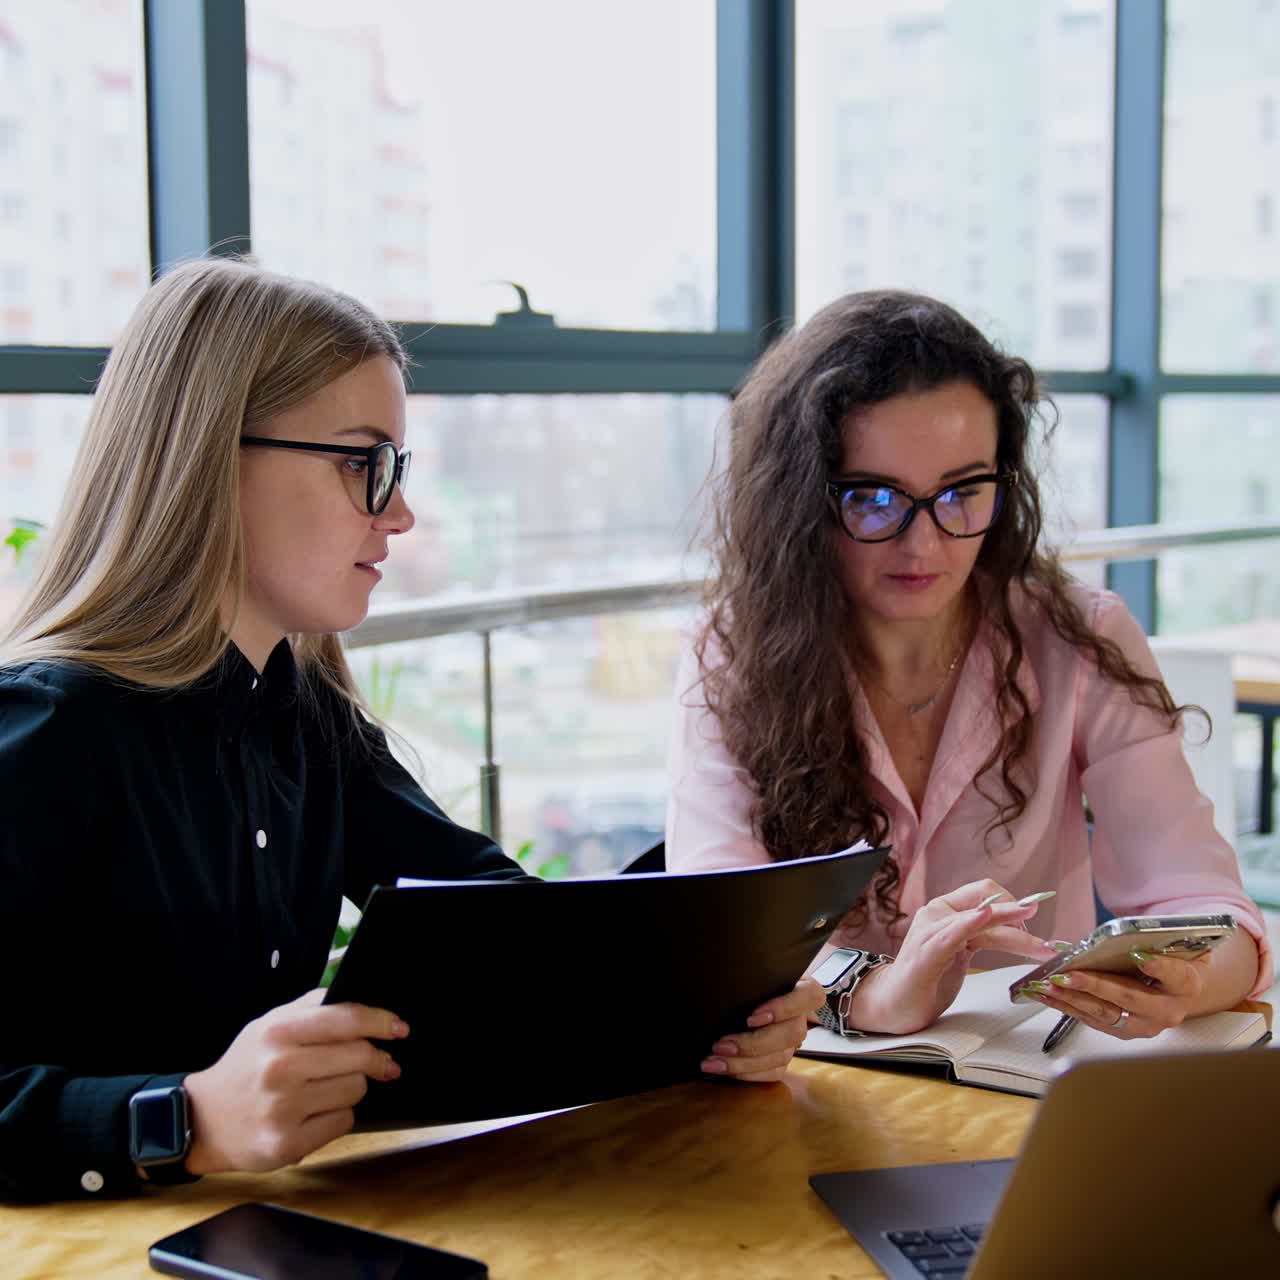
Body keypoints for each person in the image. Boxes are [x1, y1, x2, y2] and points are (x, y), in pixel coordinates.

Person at [0, 258, 820, 1203]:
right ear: (210, 457)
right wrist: (185, 1118)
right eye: (364, 464)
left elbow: (505, 933)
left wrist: (717, 1003)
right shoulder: (47, 732)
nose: (400, 513)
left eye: (397, 468)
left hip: (262, 1228)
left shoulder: (311, 723)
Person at [667, 288, 1272, 1043]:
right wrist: (872, 995)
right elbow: (717, 936)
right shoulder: (731, 653)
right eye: (873, 498)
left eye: (961, 491)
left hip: (1022, 1080)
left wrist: (1188, 979)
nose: (924, 543)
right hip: (805, 1077)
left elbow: (1208, 905)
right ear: (802, 501)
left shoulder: (1080, 637)